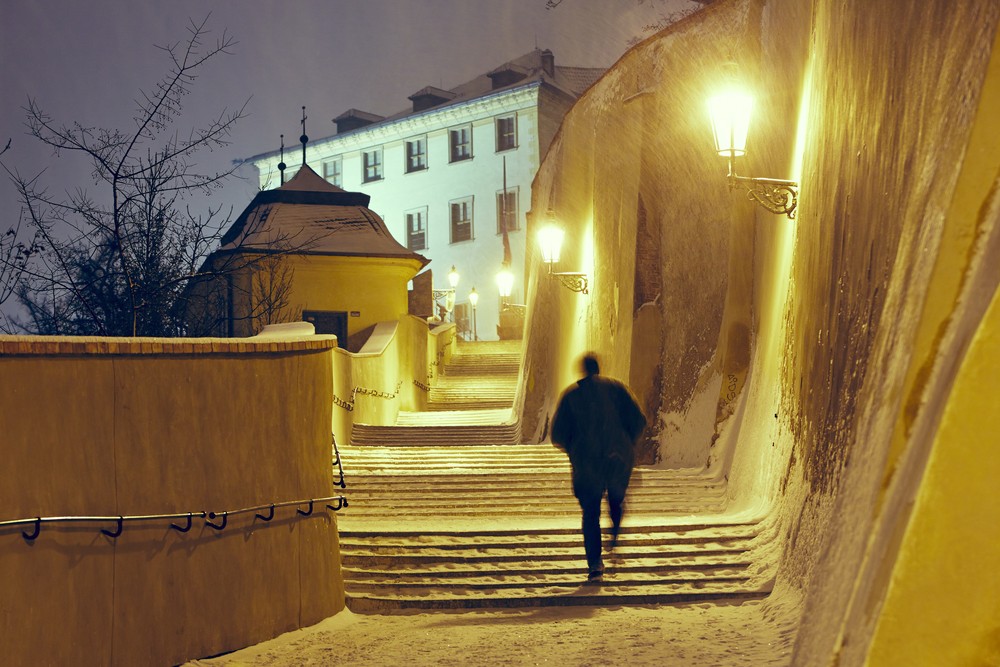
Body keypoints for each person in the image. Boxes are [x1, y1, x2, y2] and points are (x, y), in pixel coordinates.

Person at [551, 353, 646, 581]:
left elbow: (558, 434)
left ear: (582, 370)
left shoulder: (571, 396)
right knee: (615, 500)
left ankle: (595, 563)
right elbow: (639, 420)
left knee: (590, 514)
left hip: (587, 466)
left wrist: (575, 449)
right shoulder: (617, 390)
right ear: (598, 369)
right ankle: (614, 535)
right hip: (617, 459)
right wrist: (627, 444)